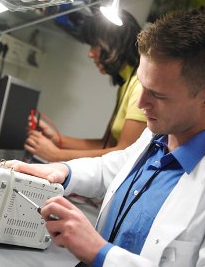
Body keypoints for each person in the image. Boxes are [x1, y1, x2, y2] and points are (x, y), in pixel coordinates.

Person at [7, 10, 205, 267]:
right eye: (142, 86)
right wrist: (62, 171)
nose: (141, 103)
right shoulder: (161, 133)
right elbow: (115, 168)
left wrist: (100, 254)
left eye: (156, 94)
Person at [25, 10, 147, 162]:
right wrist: (59, 140)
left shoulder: (140, 88)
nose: (90, 54)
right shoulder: (126, 84)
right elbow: (106, 145)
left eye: (95, 45)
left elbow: (123, 154)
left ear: (114, 43)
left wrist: (56, 155)